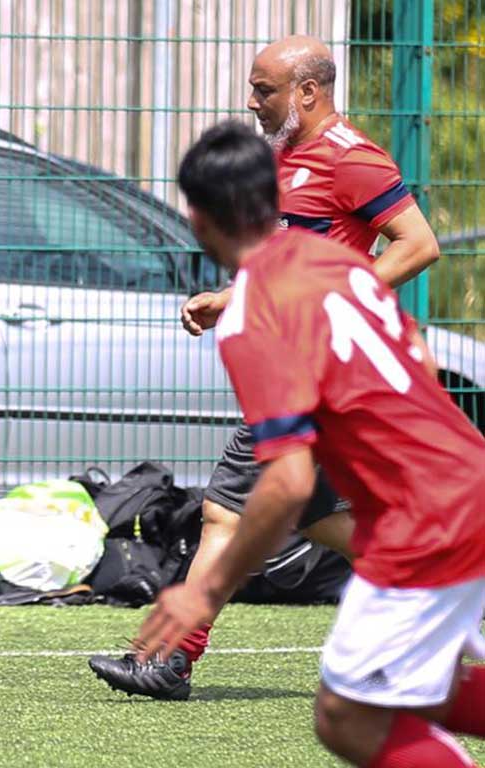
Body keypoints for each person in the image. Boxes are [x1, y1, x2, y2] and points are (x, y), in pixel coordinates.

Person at [89, 34, 441, 701]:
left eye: (264, 90)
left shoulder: (351, 159)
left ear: (308, 91)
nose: (252, 102)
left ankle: (169, 659)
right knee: (318, 520)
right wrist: (230, 299)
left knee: (224, 511)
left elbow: (418, 244)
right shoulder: (286, 160)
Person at [134, 120, 485, 766]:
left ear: (199, 221)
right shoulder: (338, 261)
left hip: (424, 516)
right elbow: (419, 356)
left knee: (346, 716)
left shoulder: (251, 314)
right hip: (466, 479)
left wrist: (204, 592)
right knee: (415, 689)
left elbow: (289, 483)